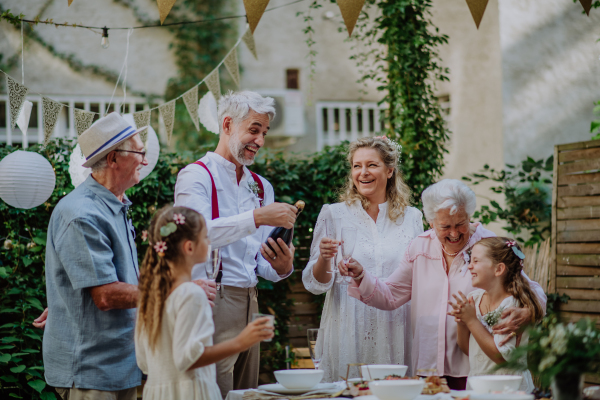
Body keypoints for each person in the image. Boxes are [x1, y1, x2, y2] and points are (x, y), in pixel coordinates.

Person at [41, 113, 215, 400]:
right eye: (139, 152)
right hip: (92, 370)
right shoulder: (82, 214)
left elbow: (115, 284)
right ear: (113, 159)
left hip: (120, 365)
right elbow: (106, 295)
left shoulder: (113, 205)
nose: (145, 161)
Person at [343, 179, 547, 390]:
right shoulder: (419, 247)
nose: (454, 233)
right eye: (445, 226)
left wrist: (529, 310)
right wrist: (361, 276)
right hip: (429, 368)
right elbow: (391, 294)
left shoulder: (488, 246)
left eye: (461, 224)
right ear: (431, 222)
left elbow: (529, 289)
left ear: (469, 216)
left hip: (476, 369)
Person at [174, 91, 296, 398]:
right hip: (213, 301)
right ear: (227, 124)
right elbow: (196, 235)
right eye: (254, 130)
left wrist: (282, 267)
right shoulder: (195, 176)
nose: (260, 140)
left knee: (247, 393)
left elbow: (261, 263)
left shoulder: (261, 186)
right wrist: (257, 217)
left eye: (264, 133)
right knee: (213, 391)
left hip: (250, 301)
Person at [302, 136, 423, 382]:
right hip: (349, 324)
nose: (363, 172)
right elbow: (315, 285)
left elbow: (419, 278)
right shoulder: (333, 215)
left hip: (397, 325)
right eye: (357, 166)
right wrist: (325, 259)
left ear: (390, 171)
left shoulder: (412, 217)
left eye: (372, 165)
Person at [135, 205, 274, 400]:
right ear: (189, 247)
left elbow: (143, 362)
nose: (210, 242)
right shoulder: (192, 293)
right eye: (206, 237)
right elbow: (187, 358)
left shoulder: (151, 296)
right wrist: (240, 342)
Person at [448, 237, 543, 393]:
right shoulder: (476, 298)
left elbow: (500, 357)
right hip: (478, 387)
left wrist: (472, 321)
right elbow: (468, 349)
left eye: (476, 261)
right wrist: (462, 321)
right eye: (470, 261)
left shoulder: (513, 305)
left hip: (508, 390)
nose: (469, 266)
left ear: (498, 269)